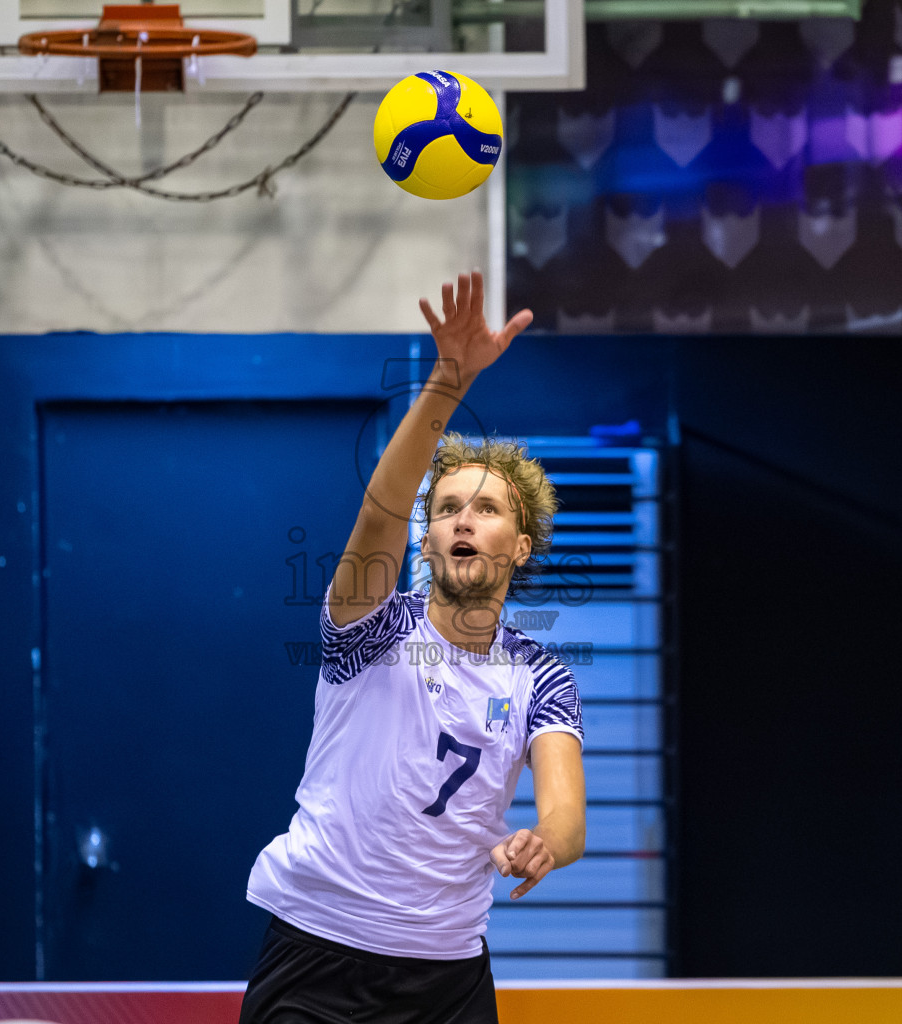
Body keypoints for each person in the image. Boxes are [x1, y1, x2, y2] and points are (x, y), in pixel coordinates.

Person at [239, 272, 587, 1024]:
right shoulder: (373, 627)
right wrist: (448, 382)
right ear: (427, 539)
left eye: (487, 508)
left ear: (520, 545)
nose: (464, 519)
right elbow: (381, 507)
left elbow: (566, 813)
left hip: (448, 974)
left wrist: (544, 844)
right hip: (319, 951)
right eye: (448, 508)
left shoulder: (540, 675)